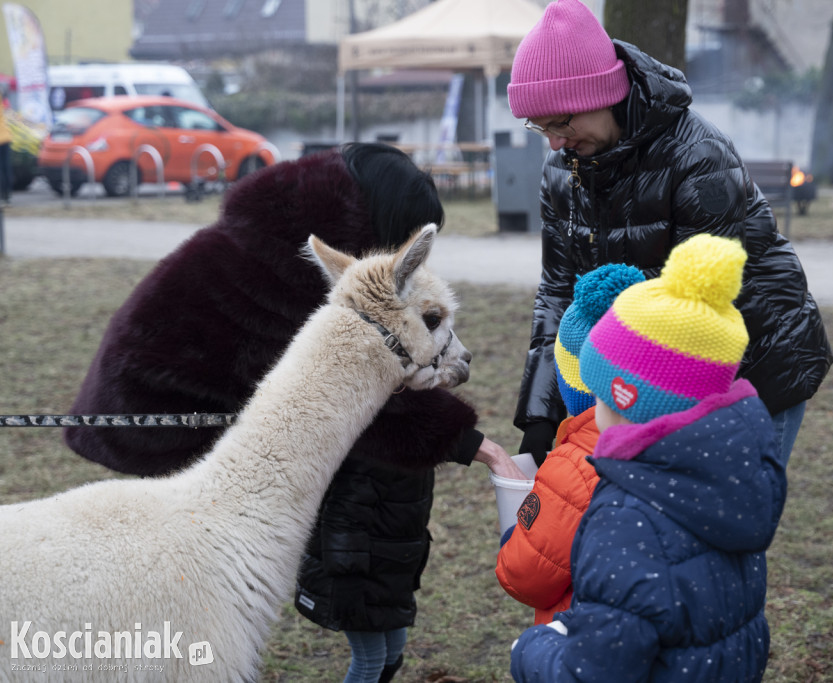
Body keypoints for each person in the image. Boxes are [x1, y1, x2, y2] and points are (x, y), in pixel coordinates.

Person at [63, 143, 522, 683]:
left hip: (174, 395)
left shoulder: (293, 235)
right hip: (156, 410)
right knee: (183, 576)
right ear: (386, 220)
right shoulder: (286, 269)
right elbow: (342, 390)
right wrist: (473, 445)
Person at [508, 0, 833, 468]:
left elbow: (696, 304)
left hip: (756, 368)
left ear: (605, 94)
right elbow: (559, 289)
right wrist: (541, 412)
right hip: (647, 376)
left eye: (562, 122)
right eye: (541, 128)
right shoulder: (562, 168)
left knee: (726, 511)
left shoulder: (698, 156)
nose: (556, 142)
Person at [510, 234, 788, 682]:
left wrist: (531, 649)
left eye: (599, 392)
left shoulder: (626, 516)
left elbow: (591, 675)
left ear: (625, 399)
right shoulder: (735, 479)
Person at [496, 263, 644, 626]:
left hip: (586, 640)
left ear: (573, 382)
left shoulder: (573, 466)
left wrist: (513, 535)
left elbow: (525, 578)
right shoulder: (689, 440)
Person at [0, 92, 13, 206]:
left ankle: (2, 195)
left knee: (1, 168)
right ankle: (7, 195)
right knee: (6, 167)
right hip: (6, 137)